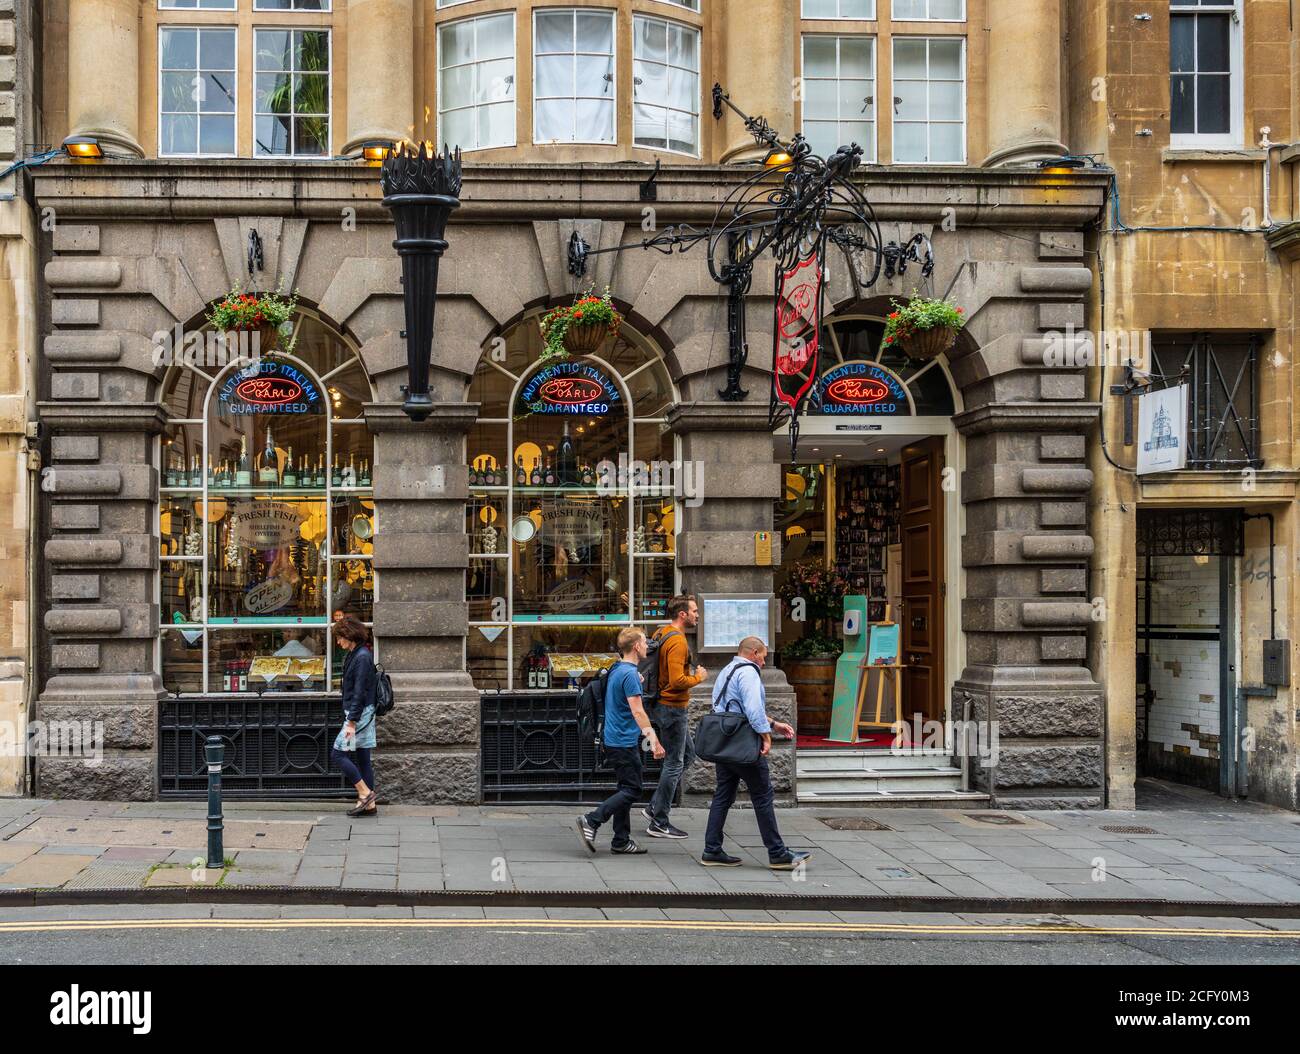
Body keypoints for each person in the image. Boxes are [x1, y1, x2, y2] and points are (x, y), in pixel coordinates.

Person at [700, 636, 811, 870]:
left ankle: (712, 849)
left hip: (726, 744)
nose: (764, 661)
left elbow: (733, 709)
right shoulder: (749, 673)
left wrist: (774, 724)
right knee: (762, 796)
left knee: (723, 796)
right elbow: (752, 709)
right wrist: (766, 736)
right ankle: (777, 853)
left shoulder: (727, 671)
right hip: (744, 745)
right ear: (754, 653)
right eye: (763, 657)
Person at [576, 627, 665, 855]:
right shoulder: (629, 674)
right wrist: (654, 741)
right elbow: (638, 711)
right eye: (644, 642)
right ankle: (592, 820)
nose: (647, 646)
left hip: (613, 738)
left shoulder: (618, 668)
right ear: (636, 646)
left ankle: (621, 840)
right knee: (633, 790)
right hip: (623, 741)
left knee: (625, 787)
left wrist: (637, 679)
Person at [643, 595, 707, 839]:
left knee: (688, 755)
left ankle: (654, 807)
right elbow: (677, 681)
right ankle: (659, 821)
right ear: (683, 614)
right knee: (674, 763)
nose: (697, 615)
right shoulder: (678, 641)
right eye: (694, 611)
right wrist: (699, 678)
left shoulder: (662, 632)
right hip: (672, 708)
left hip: (662, 705)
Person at [330, 615, 379, 818]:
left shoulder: (362, 657)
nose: (338, 642)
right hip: (361, 713)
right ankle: (370, 806)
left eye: (339, 637)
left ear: (349, 635)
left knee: (338, 754)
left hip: (358, 716)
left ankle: (365, 793)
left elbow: (359, 692)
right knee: (362, 757)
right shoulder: (356, 654)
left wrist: (351, 721)